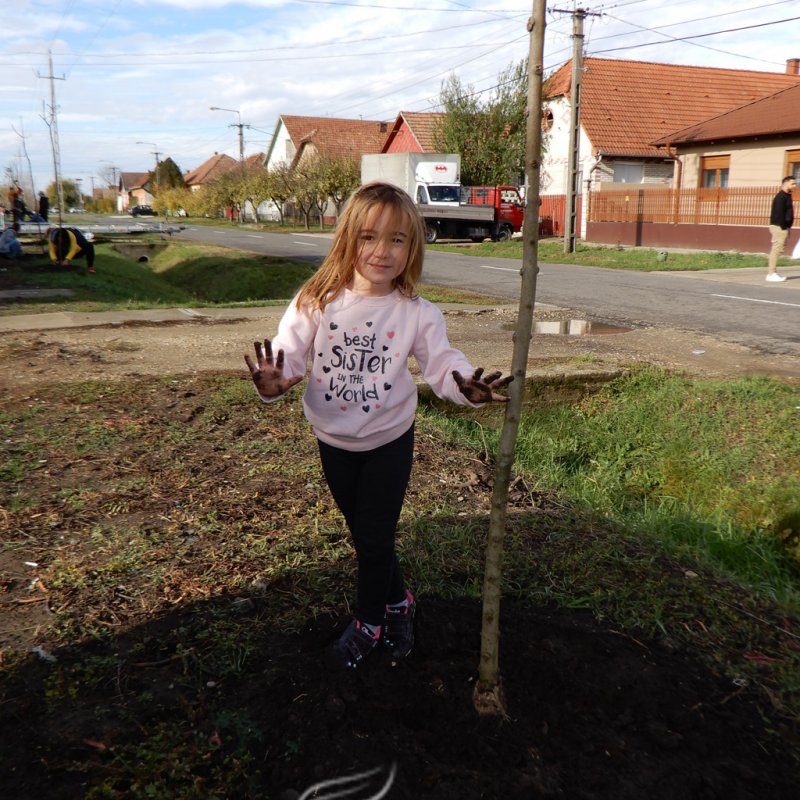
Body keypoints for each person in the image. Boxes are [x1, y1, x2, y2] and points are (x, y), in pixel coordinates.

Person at [244, 182, 513, 671]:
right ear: (348, 239)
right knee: (368, 535)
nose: (382, 251)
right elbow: (289, 356)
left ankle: (369, 622)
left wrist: (465, 386)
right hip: (333, 439)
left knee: (373, 537)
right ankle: (399, 601)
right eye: (369, 237)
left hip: (389, 440)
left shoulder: (416, 313)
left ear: (413, 247)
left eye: (398, 240)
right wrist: (273, 381)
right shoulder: (316, 301)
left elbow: (443, 364)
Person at [767, 175, 796, 282]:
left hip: (783, 227)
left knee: (778, 250)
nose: (794, 186)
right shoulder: (780, 197)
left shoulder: (787, 196)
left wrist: (788, 227)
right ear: (785, 183)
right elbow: (779, 214)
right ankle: (771, 273)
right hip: (779, 227)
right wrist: (784, 227)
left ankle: (772, 272)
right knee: (776, 250)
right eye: (792, 183)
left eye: (795, 184)